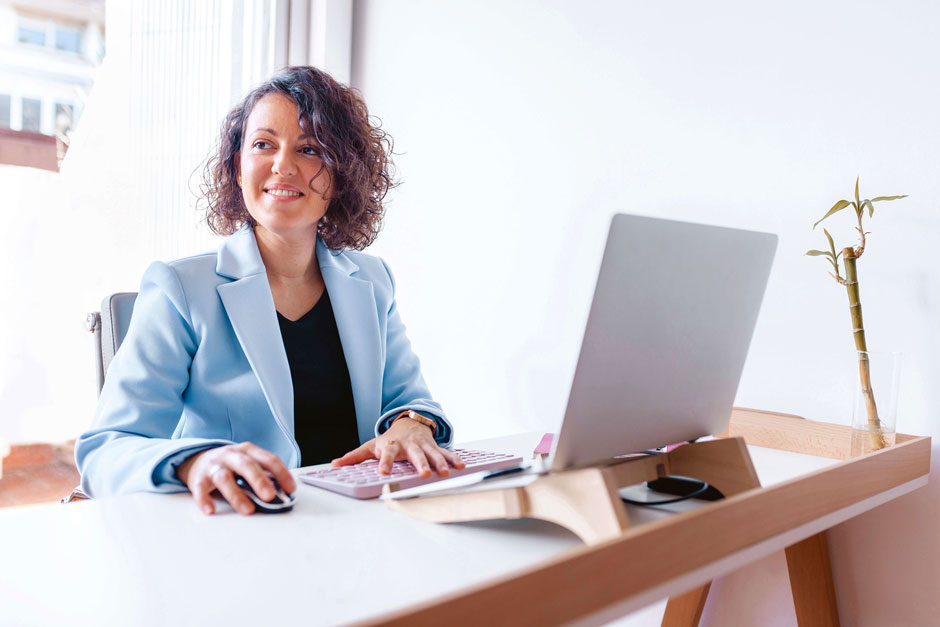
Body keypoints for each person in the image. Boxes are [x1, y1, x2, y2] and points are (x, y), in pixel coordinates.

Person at [75, 66, 463, 515]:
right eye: (263, 144)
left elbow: (410, 400)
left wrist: (413, 424)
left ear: (341, 174)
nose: (283, 165)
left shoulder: (372, 282)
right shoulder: (179, 289)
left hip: (360, 524)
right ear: (238, 168)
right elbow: (106, 448)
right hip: (236, 530)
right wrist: (193, 462)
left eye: (309, 148)